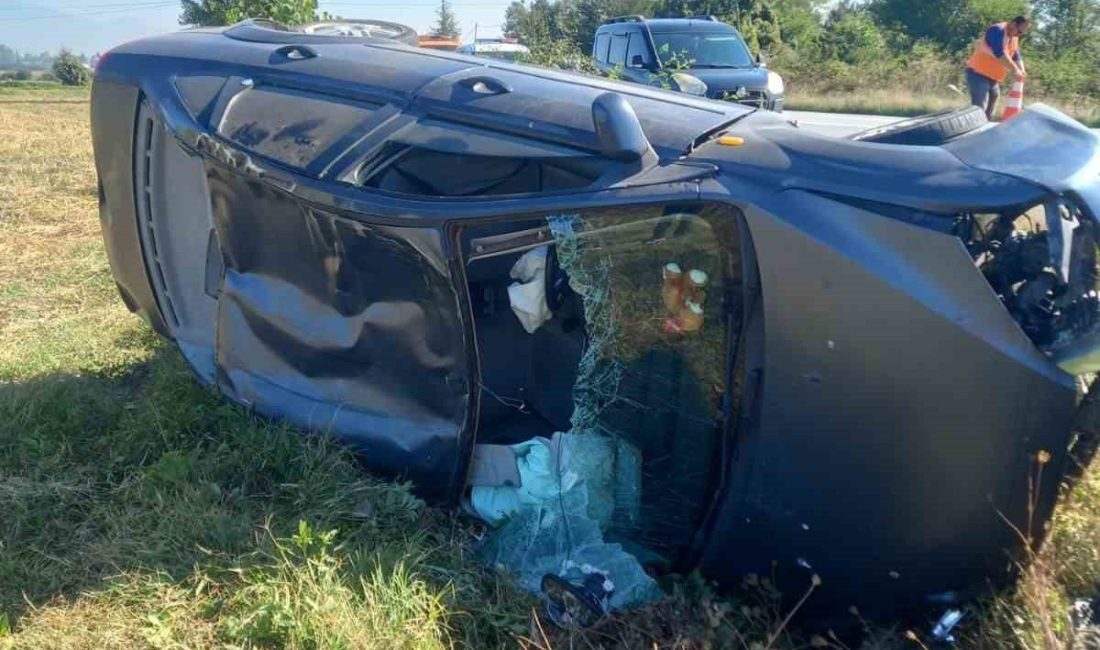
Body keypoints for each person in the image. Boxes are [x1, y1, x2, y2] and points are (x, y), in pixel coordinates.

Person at [965, 16, 1030, 119]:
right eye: (1019, 31)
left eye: (1021, 33)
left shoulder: (1013, 37)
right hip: (978, 74)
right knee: (979, 108)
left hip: (993, 78)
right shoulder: (997, 30)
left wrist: (1022, 69)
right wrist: (1015, 70)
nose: (1019, 34)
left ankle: (985, 131)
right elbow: (1000, 54)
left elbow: (1016, 55)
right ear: (1013, 23)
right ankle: (976, 132)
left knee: (990, 110)